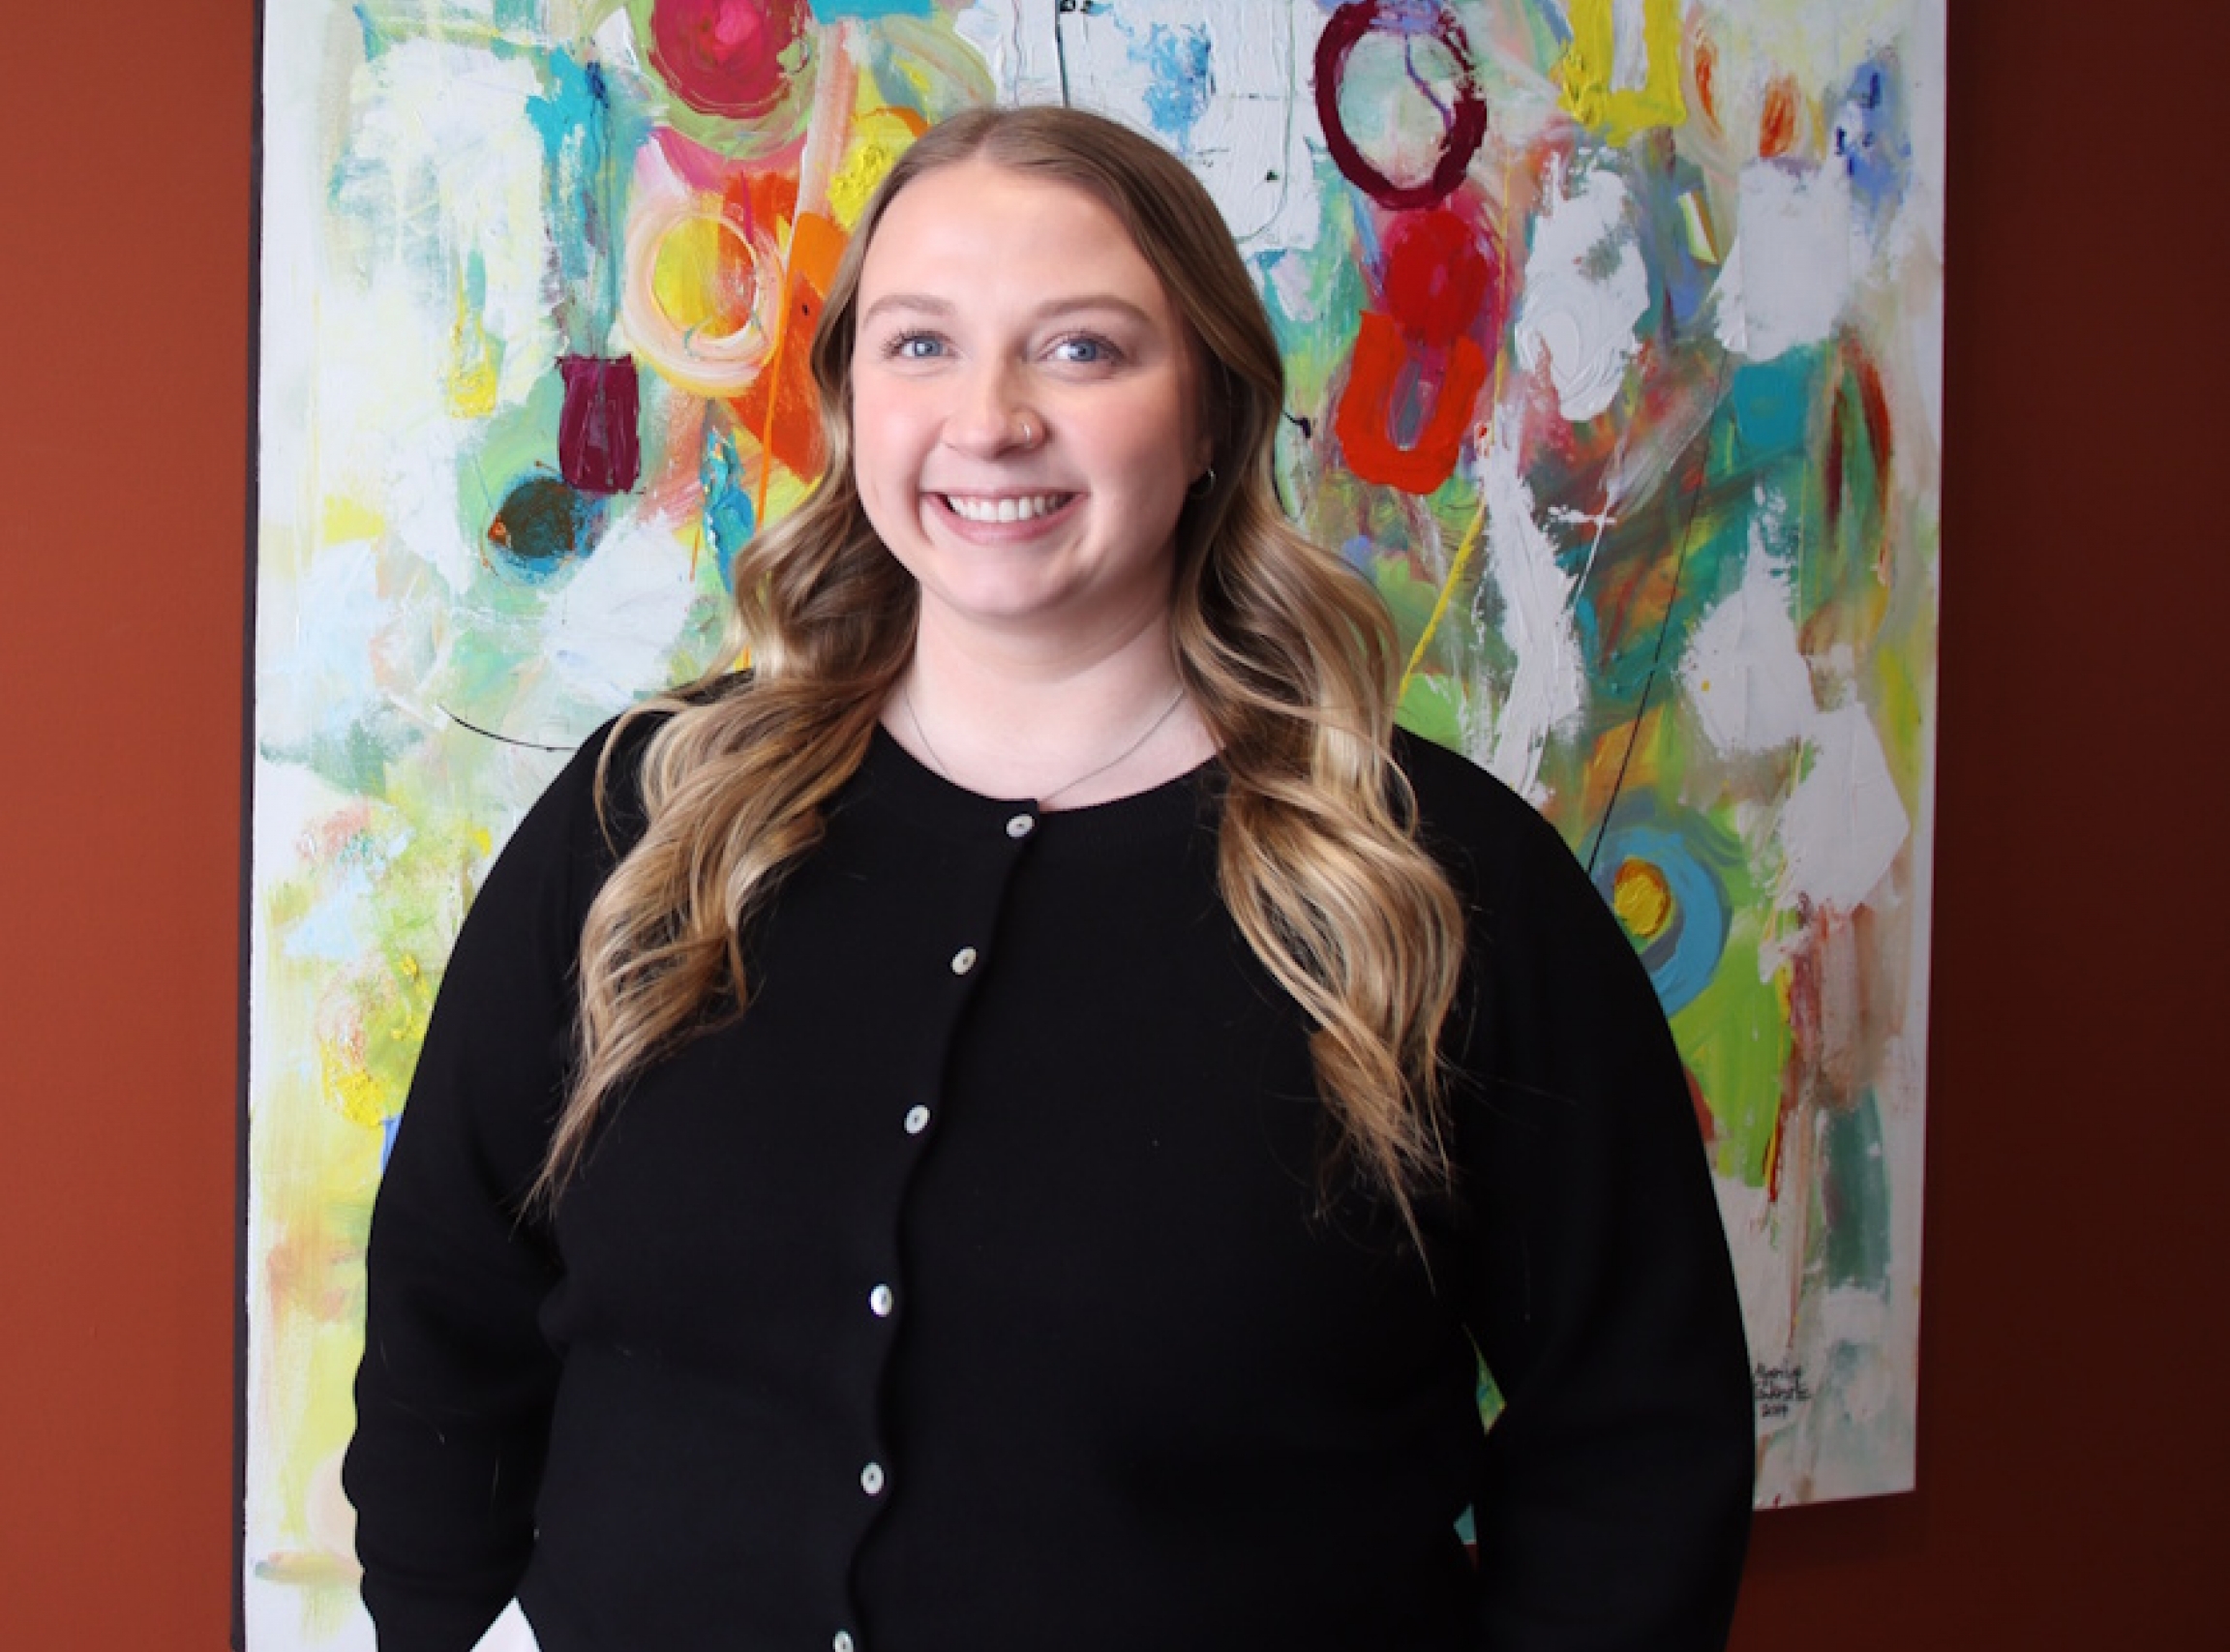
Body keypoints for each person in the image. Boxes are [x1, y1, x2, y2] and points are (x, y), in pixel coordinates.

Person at [346, 105, 1754, 1652]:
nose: (990, 418)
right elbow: (444, 1316)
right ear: (852, 401)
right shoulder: (643, 820)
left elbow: (1636, 1448)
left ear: (1210, 410)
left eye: (1081, 350)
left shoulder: (1440, 884)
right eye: (920, 345)